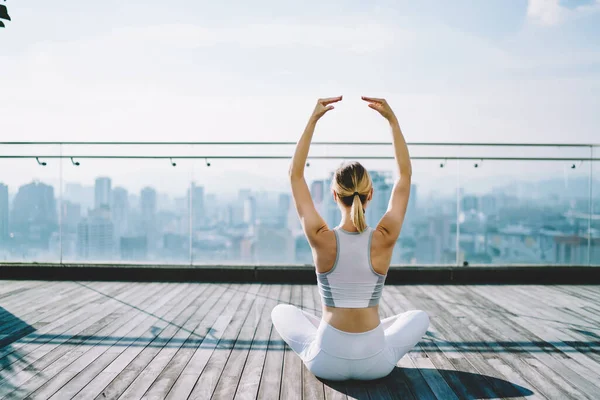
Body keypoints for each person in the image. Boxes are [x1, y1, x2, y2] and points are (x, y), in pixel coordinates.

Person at [271, 95, 429, 381]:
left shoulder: (321, 238)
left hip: (325, 361)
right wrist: (392, 121)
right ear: (370, 194)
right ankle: (372, 335)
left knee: (282, 311)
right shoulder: (384, 237)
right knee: (419, 317)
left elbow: (295, 175)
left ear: (334, 195)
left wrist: (313, 119)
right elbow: (404, 176)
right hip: (376, 363)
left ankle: (318, 343)